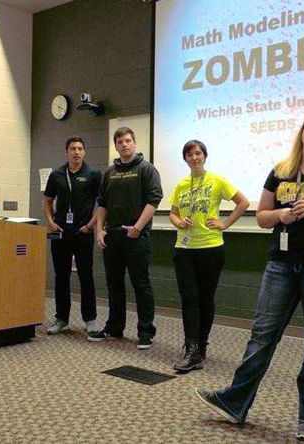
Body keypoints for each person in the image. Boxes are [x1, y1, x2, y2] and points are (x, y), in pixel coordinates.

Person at [195, 107, 304, 441]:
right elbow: (262, 217)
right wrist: (281, 215)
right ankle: (235, 402)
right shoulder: (281, 170)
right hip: (282, 264)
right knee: (262, 335)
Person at [169, 140, 249, 372]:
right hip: (184, 249)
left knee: (205, 299)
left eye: (198, 153)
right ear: (184, 159)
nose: (194, 158)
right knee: (189, 298)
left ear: (204, 156)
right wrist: (178, 222)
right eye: (189, 154)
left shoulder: (217, 180)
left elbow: (242, 202)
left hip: (211, 248)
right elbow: (174, 214)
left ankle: (200, 346)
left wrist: (225, 224)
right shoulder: (181, 184)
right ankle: (191, 348)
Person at [87, 127, 163, 349]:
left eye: (128, 140)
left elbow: (154, 200)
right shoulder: (110, 172)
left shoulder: (147, 169)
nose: (125, 145)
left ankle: (146, 332)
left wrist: (138, 228)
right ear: (116, 145)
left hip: (136, 236)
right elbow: (102, 203)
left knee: (141, 284)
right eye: (120, 142)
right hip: (113, 237)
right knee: (114, 285)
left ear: (135, 143)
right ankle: (114, 328)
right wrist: (99, 230)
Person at [43, 137, 102, 335]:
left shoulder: (93, 174)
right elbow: (47, 201)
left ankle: (90, 320)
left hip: (82, 232)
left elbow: (101, 204)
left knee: (86, 276)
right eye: (72, 149)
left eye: (80, 149)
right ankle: (61, 319)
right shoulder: (57, 175)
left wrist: (90, 225)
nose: (76, 152)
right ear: (66, 152)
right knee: (61, 276)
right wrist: (50, 222)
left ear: (84, 152)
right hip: (60, 233)